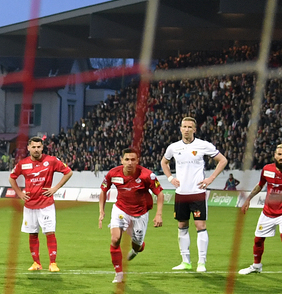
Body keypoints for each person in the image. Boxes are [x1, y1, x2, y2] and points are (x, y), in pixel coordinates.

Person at [160, 116, 228, 273]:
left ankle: (202, 263)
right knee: (182, 225)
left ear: (195, 130)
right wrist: (170, 178)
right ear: (180, 128)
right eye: (184, 126)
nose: (186, 129)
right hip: (181, 193)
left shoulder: (203, 145)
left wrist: (210, 178)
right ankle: (185, 261)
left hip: (197, 192)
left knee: (200, 226)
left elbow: (222, 160)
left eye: (190, 127)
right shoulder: (174, 147)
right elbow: (164, 162)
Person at [98, 148, 164, 284]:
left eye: (133, 159)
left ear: (137, 161)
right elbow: (103, 190)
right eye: (127, 159)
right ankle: (119, 273)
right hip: (121, 209)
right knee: (115, 239)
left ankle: (137, 248)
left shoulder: (147, 175)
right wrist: (101, 211)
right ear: (122, 160)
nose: (129, 162)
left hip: (140, 213)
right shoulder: (113, 173)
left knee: (137, 245)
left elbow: (160, 193)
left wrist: (158, 214)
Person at [9, 136, 74, 272]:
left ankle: (53, 263)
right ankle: (36, 263)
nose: (36, 149)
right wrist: (20, 194)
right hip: (29, 205)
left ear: (42, 147)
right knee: (32, 234)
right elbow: (12, 177)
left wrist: (55, 188)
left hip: (46, 204)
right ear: (28, 148)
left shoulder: (51, 161)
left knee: (49, 232)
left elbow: (68, 172)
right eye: (34, 147)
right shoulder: (23, 164)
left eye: (39, 147)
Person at [237, 143, 282, 275]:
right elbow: (260, 185)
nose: (281, 157)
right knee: (258, 240)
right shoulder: (267, 169)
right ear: (274, 155)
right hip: (268, 212)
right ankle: (256, 266)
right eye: (279, 154)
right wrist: (248, 199)